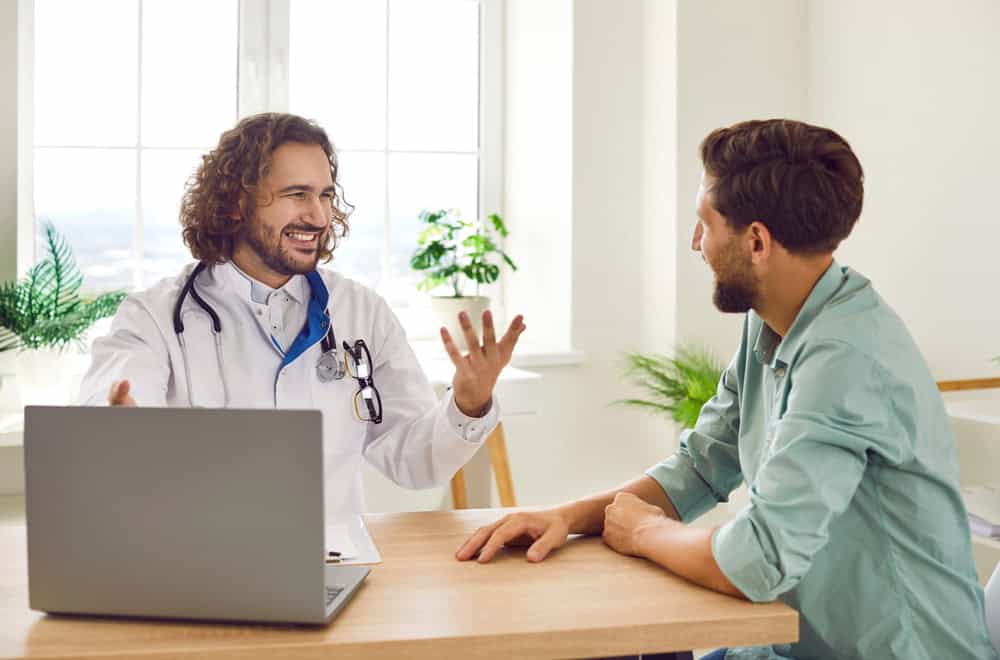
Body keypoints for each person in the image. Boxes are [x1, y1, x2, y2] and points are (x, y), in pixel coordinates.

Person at [456, 119, 997, 659]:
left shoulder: (848, 359)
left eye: (704, 223)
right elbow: (700, 466)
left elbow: (758, 559)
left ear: (756, 242)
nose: (696, 243)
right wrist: (569, 516)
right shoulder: (774, 320)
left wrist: (643, 532)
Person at [78, 112, 526, 518]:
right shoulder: (155, 317)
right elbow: (113, 412)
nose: (317, 215)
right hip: (204, 567)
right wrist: (120, 433)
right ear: (236, 202)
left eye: (326, 196)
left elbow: (413, 461)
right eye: (297, 195)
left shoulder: (360, 312)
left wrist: (469, 403)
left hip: (332, 564)